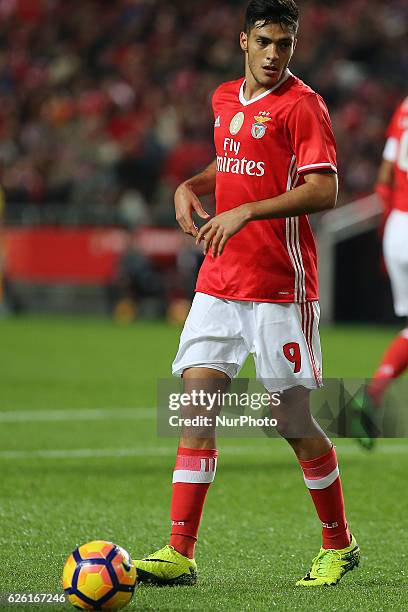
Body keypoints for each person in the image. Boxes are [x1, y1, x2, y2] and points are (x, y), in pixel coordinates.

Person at [135, 0, 360, 587]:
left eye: (284, 44)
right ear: (243, 41)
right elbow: (234, 163)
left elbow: (324, 191)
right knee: (197, 405)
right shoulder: (223, 99)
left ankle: (339, 542)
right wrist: (191, 184)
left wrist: (249, 213)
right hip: (219, 279)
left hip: (279, 286)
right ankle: (179, 549)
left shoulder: (304, 106)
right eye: (264, 42)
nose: (274, 54)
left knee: (291, 420)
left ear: (293, 47)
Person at [354, 96, 408, 449]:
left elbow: (385, 175)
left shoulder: (404, 107)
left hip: (399, 227)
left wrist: (388, 229)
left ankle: (373, 393)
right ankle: (372, 393)